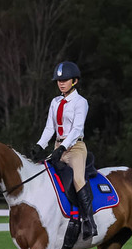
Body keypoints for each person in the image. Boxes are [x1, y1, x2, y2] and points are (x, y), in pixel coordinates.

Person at [30, 61, 97, 239]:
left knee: (77, 178)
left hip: (75, 147)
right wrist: (40, 145)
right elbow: (49, 128)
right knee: (44, 175)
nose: (61, 83)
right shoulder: (55, 102)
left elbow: (76, 129)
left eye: (65, 80)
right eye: (59, 80)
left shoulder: (80, 102)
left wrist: (64, 148)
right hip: (58, 146)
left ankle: (89, 221)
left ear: (74, 81)